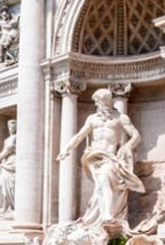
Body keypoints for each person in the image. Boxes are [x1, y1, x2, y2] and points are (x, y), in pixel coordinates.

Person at [57, 88, 144, 227]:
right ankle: (101, 216)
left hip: (110, 157)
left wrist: (127, 146)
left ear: (107, 100)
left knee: (104, 180)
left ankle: (106, 215)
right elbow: (80, 135)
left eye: (99, 101)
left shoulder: (120, 118)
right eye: (96, 102)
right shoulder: (92, 119)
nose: (97, 104)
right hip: (94, 157)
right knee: (100, 186)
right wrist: (67, 149)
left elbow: (136, 136)